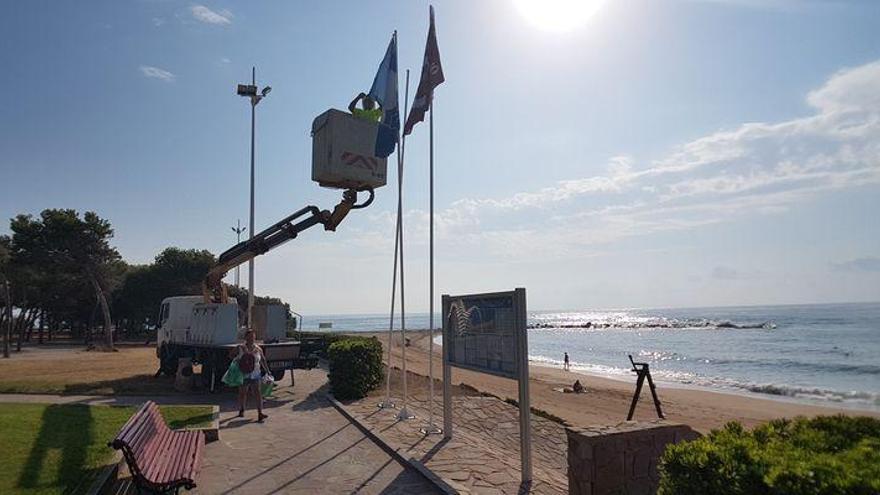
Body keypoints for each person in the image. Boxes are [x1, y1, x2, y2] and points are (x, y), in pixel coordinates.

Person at [236, 330, 270, 422]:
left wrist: (267, 371)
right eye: (250, 336)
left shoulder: (258, 349)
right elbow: (232, 357)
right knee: (243, 393)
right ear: (246, 337)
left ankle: (260, 413)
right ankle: (242, 409)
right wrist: (238, 362)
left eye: (253, 337)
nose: (252, 338)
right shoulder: (241, 347)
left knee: (258, 393)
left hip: (255, 374)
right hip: (244, 374)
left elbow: (263, 360)